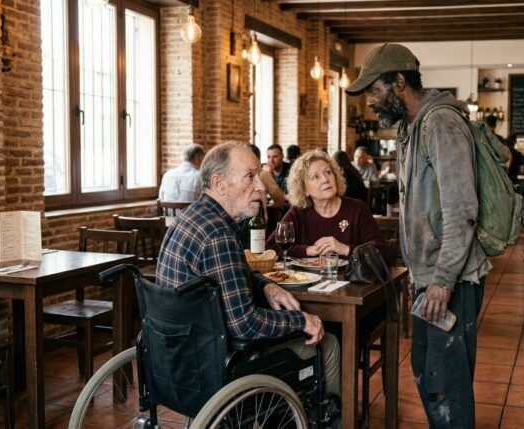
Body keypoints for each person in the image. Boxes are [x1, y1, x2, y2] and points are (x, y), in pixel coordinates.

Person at [345, 43, 490, 429]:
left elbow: (462, 211)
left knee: (447, 387)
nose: (371, 103)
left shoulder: (440, 122)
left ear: (398, 81)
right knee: (428, 375)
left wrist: (442, 282)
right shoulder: (411, 126)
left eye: (374, 91)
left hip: (451, 280)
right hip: (430, 278)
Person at [156, 143, 340, 402]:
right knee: (329, 344)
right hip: (217, 369)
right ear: (220, 184)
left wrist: (265, 285)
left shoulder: (189, 218)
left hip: (174, 358)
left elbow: (227, 275)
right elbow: (245, 325)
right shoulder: (218, 235)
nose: (262, 186)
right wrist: (303, 320)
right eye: (250, 177)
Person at [266, 151, 386, 258]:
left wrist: (344, 249)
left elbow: (382, 252)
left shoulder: (357, 209)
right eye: (316, 177)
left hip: (352, 281)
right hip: (308, 281)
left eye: (328, 172)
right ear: (304, 189)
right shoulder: (298, 212)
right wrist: (307, 250)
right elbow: (270, 247)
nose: (325, 179)